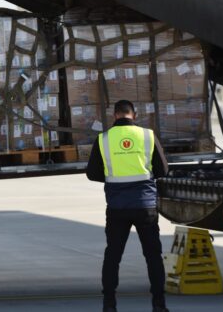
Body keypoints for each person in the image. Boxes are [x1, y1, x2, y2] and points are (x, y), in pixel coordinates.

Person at [86, 100, 170, 312]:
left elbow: (92, 174)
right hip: (145, 206)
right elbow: (163, 170)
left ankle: (109, 304)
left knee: (113, 256)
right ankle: (159, 304)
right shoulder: (147, 136)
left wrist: (112, 177)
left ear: (114, 115)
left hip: (117, 207)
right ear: (134, 114)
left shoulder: (103, 139)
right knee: (152, 256)